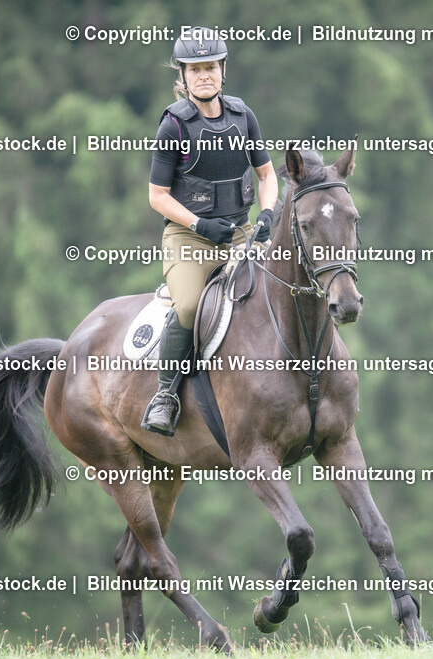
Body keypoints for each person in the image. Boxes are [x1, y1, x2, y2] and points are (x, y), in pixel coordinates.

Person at [141, 27, 278, 435]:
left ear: (223, 71)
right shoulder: (174, 126)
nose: (204, 76)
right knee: (188, 307)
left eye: (211, 68)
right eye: (195, 69)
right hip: (189, 239)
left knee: (281, 290)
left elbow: (267, 175)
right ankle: (165, 395)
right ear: (183, 76)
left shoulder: (243, 116)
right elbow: (157, 196)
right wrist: (199, 223)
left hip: (240, 234)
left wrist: (267, 214)